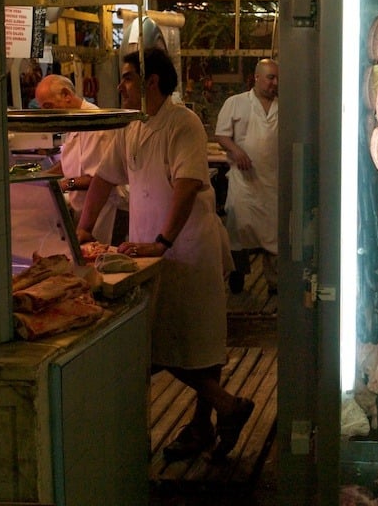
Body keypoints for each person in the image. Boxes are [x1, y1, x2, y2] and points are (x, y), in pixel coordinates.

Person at [75, 47, 253, 463]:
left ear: (151, 81)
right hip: (150, 251)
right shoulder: (131, 126)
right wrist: (82, 228)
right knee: (174, 339)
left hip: (188, 246)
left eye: (127, 77)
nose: (121, 85)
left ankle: (216, 414)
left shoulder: (183, 123)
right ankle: (211, 420)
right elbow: (103, 179)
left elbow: (188, 185)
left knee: (192, 340)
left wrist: (163, 240)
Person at [214, 59, 279, 294]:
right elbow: (221, 135)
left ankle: (274, 284)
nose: (275, 83)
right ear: (256, 78)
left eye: (277, 78)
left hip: (273, 183)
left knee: (275, 236)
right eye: (271, 77)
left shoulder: (283, 107)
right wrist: (237, 151)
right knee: (238, 230)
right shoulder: (236, 103)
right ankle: (238, 275)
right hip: (244, 183)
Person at [33, 74, 120, 244]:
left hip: (104, 212)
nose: (47, 115)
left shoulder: (95, 124)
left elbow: (100, 179)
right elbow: (69, 163)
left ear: (66, 95)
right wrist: (40, 178)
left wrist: (65, 184)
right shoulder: (74, 120)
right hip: (82, 208)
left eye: (49, 107)